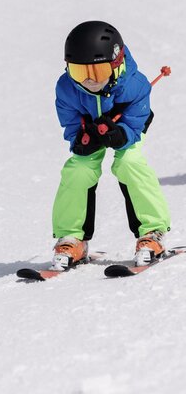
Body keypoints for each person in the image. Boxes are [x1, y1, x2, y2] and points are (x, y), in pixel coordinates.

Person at [51, 20, 171, 269]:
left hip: (128, 129)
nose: (89, 81)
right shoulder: (66, 88)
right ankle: (73, 238)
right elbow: (71, 126)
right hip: (92, 131)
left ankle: (152, 233)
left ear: (116, 64)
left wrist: (121, 134)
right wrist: (83, 140)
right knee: (78, 169)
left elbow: (137, 122)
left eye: (98, 73)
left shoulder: (135, 85)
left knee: (130, 163)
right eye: (79, 72)